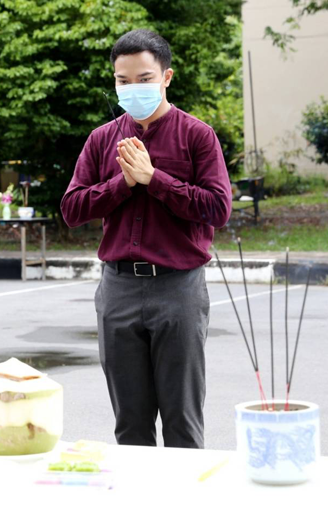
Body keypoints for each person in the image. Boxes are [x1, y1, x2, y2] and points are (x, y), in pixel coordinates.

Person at [61, 29, 232, 449]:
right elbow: (72, 209)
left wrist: (155, 179)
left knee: (182, 421)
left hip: (178, 287)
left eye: (144, 78)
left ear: (166, 77)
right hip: (118, 287)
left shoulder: (197, 135)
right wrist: (122, 183)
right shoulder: (102, 139)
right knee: (130, 425)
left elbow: (217, 208)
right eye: (123, 80)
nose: (133, 88)